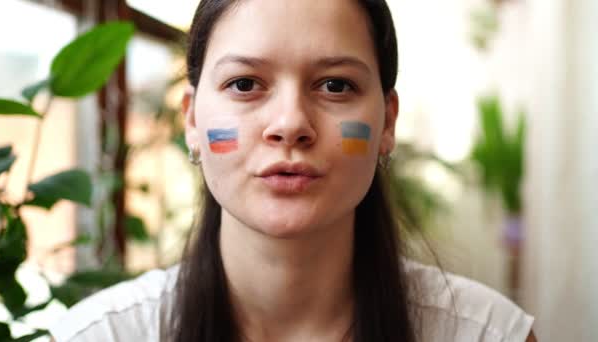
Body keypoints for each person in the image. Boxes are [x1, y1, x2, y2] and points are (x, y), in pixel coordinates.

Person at [49, 0, 537, 341]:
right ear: (193, 119)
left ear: (387, 121)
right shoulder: (97, 335)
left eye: (335, 85)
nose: (290, 125)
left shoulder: (485, 333)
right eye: (245, 83)